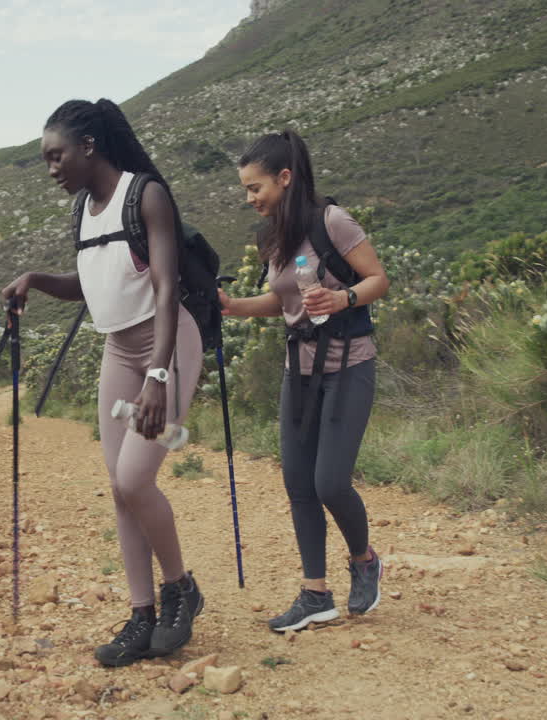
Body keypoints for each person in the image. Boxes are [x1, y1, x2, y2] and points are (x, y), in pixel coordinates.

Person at [1, 99, 204, 667]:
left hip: (167, 346)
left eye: (56, 156)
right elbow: (90, 285)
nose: (51, 169)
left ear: (88, 147)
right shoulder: (83, 211)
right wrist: (35, 279)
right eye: (46, 159)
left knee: (136, 479)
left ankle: (181, 590)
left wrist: (158, 376)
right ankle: (141, 615)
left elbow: (166, 287)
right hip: (118, 349)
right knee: (119, 487)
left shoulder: (145, 195)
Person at [219, 129, 389, 632]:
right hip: (299, 369)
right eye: (246, 190)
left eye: (255, 187)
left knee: (330, 482)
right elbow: (284, 301)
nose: (250, 198)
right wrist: (233, 307)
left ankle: (364, 561)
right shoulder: (274, 235)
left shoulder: (331, 221)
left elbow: (378, 280)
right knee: (298, 483)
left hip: (349, 364)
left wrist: (343, 298)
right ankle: (316, 594)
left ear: (285, 178)